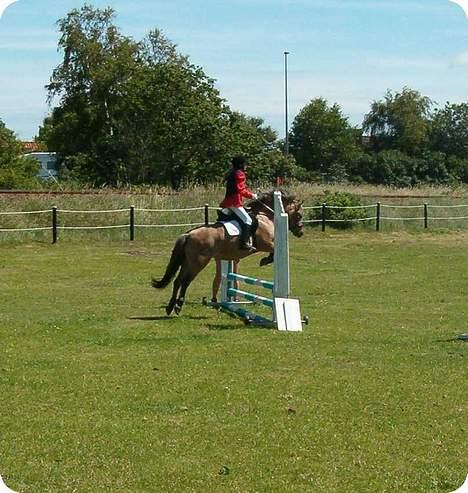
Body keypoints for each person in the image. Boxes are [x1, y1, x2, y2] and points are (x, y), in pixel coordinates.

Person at [219, 156, 258, 251]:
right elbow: (241, 190)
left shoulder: (232, 173)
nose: (246, 166)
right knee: (248, 220)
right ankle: (243, 243)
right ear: (241, 165)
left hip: (228, 201)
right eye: (245, 164)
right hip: (234, 202)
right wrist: (252, 196)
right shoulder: (240, 174)